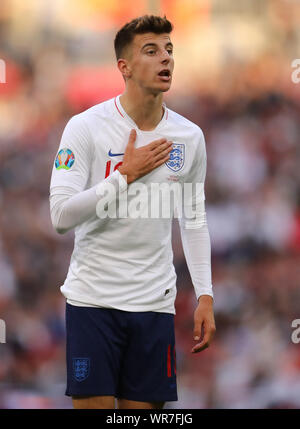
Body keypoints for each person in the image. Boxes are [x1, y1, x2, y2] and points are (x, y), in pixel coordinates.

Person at [49, 14, 216, 410]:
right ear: (123, 67)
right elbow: (60, 216)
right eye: (152, 50)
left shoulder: (189, 137)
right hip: (93, 303)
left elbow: (192, 219)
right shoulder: (85, 127)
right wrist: (124, 176)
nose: (166, 59)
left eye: (170, 50)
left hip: (154, 306)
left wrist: (205, 294)